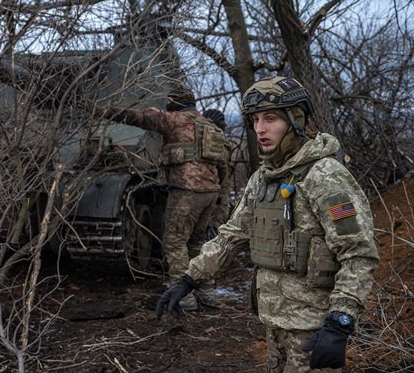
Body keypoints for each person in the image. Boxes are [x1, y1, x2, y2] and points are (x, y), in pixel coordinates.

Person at [156, 76, 379, 372]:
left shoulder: (325, 177)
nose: (260, 129)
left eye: (270, 119)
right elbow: (232, 235)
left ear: (296, 119)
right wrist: (188, 279)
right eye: (256, 119)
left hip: (313, 329)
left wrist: (340, 320)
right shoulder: (264, 177)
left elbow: (358, 254)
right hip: (274, 322)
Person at [90, 83, 227, 309]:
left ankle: (182, 295)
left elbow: (137, 118)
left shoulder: (174, 120)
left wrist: (98, 110)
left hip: (187, 191)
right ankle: (205, 290)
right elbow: (222, 165)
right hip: (210, 193)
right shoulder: (212, 128)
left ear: (174, 102)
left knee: (174, 241)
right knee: (196, 243)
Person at [202, 108, 233, 233]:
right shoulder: (218, 141)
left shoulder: (201, 138)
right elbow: (223, 169)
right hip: (217, 193)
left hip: (209, 192)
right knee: (216, 228)